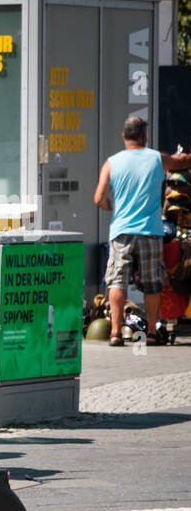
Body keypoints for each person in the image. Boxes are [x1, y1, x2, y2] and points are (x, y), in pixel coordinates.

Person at [94, 115, 191, 346]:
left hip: (121, 231)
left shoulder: (111, 162)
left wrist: (112, 207)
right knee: (152, 283)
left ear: (123, 136)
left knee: (117, 282)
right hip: (150, 231)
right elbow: (182, 163)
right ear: (144, 136)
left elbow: (98, 198)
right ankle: (151, 333)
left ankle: (116, 333)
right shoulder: (157, 159)